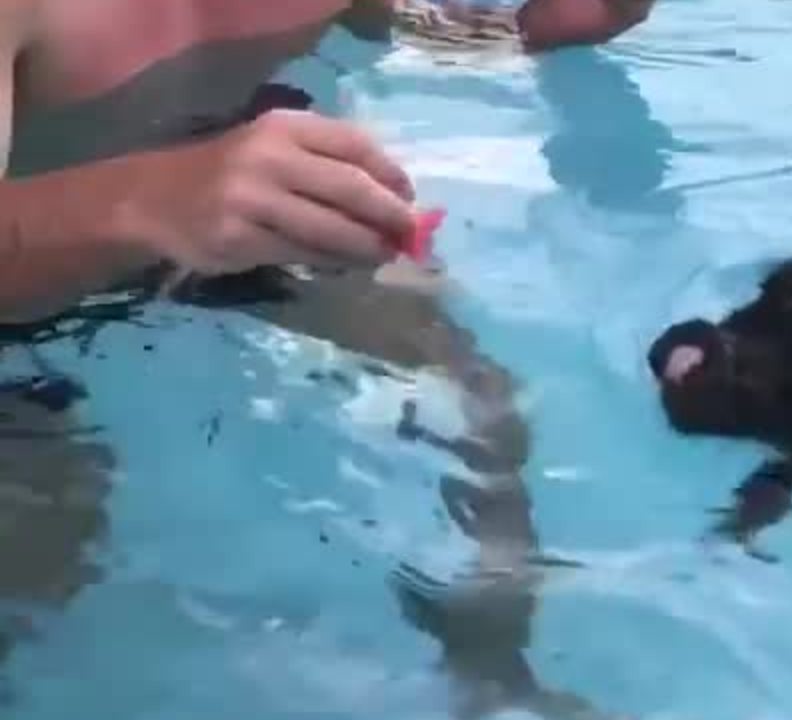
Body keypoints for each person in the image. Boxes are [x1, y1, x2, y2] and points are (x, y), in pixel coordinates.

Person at [0, 1, 652, 717]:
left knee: (473, 410)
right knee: (47, 541)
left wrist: (548, 28)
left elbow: (402, 28)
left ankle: (492, 684)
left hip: (216, 194)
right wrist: (148, 199)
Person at [0, 0, 655, 322]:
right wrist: (148, 202)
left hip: (221, 208)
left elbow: (392, 26)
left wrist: (531, 35)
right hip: (29, 308)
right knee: (65, 540)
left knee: (483, 428)